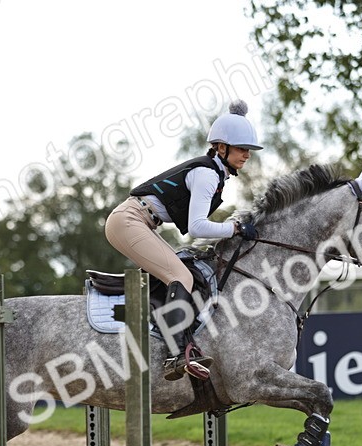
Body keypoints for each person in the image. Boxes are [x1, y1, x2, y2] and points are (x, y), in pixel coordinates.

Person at [104, 100, 262, 381]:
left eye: (248, 150)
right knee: (181, 275)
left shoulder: (214, 173)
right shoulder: (207, 174)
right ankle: (176, 354)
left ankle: (165, 334)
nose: (247, 155)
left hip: (138, 220)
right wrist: (235, 228)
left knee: (181, 271)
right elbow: (197, 227)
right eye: (241, 149)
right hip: (129, 220)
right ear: (221, 148)